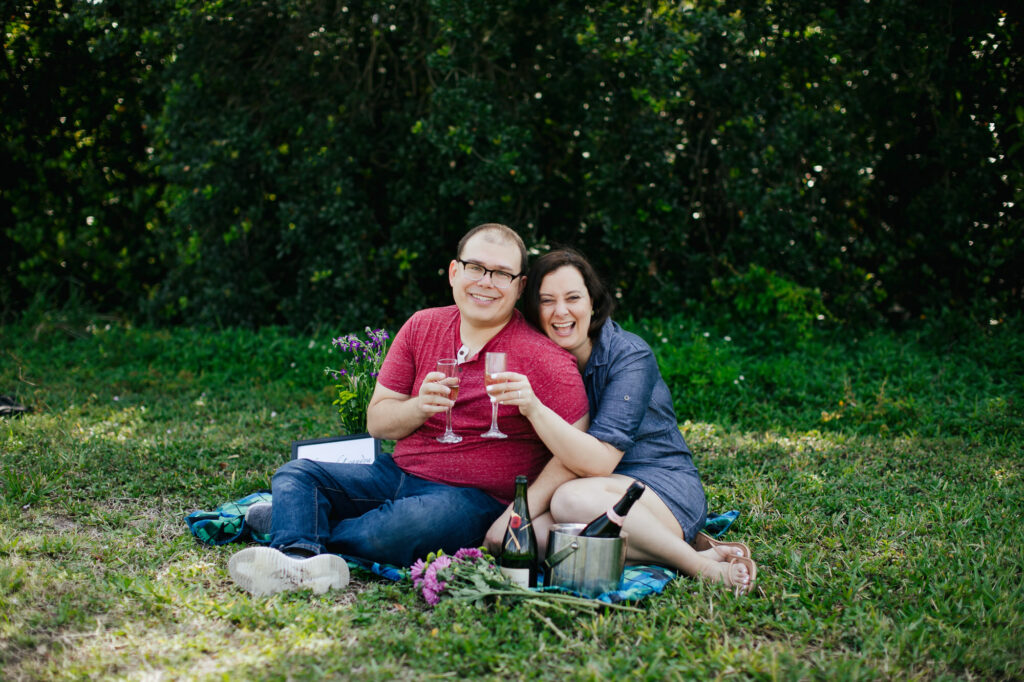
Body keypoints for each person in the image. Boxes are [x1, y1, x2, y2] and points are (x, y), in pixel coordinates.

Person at [228, 224, 589, 596]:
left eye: (501, 274)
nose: (486, 281)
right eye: (476, 268)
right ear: (454, 272)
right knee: (297, 474)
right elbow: (378, 422)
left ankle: (293, 526)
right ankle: (298, 555)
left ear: (519, 286)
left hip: (470, 498)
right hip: (398, 472)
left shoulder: (545, 358)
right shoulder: (422, 326)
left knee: (400, 529)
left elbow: (576, 450)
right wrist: (418, 407)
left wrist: (519, 513)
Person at [482, 248, 757, 594]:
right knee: (531, 540)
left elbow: (599, 460)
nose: (561, 311)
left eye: (572, 298)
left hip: (660, 486)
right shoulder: (543, 361)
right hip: (598, 489)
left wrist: (534, 408)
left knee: (568, 501)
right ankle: (678, 547)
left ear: (594, 302)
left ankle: (695, 563)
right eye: (547, 300)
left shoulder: (629, 355)